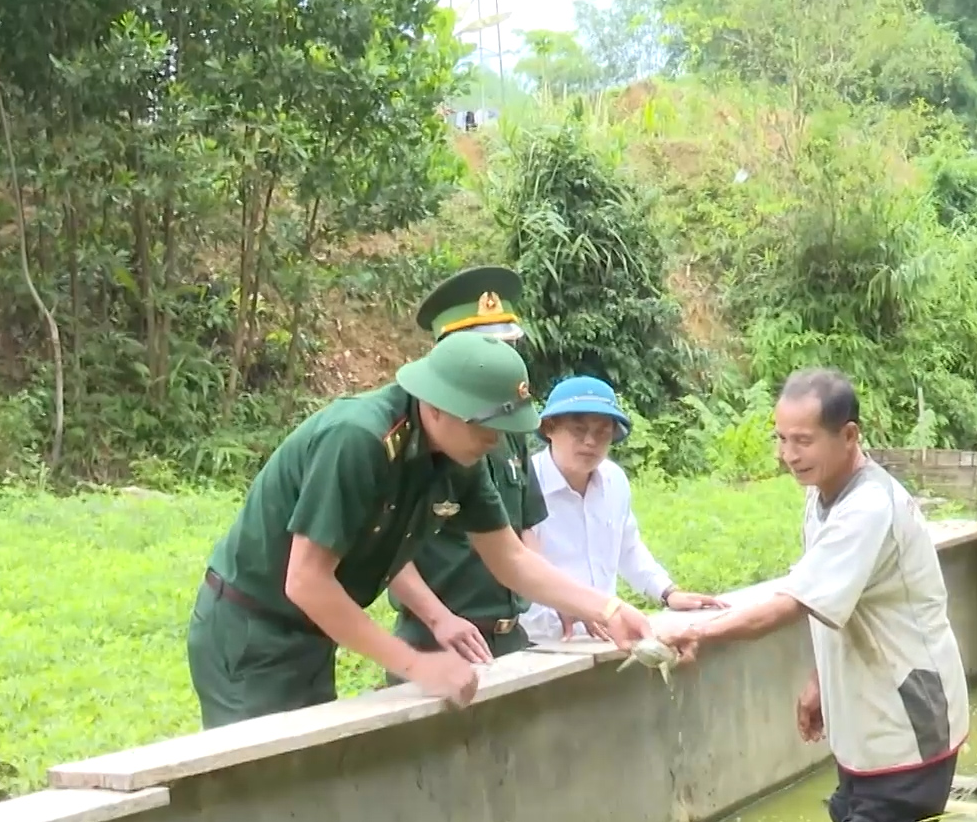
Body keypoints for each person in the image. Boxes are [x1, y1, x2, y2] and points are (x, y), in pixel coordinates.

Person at [186, 329, 656, 730]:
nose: (496, 440)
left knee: (300, 781)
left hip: (314, 633)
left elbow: (510, 559)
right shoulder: (357, 440)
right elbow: (306, 580)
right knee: (260, 783)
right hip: (251, 629)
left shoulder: (462, 455)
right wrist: (416, 665)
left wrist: (609, 608)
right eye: (487, 425)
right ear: (436, 409)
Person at [654, 368, 968, 822]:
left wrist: (696, 630)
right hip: (867, 707)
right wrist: (818, 680)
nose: (788, 454)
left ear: (848, 436)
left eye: (803, 441)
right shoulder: (823, 495)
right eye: (781, 439)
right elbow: (830, 599)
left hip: (906, 711)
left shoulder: (867, 508)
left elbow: (790, 603)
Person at [385, 266, 549, 672]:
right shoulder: (414, 437)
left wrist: (556, 601)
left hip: (509, 635)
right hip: (437, 638)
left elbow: (524, 530)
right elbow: (385, 551)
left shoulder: (511, 429)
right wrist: (438, 618)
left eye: (506, 348)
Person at [519, 375, 727, 645]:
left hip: (606, 634)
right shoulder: (525, 483)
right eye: (578, 430)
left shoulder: (613, 480)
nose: (590, 442)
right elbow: (515, 563)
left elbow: (628, 548)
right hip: (540, 640)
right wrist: (570, 604)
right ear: (549, 428)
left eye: (602, 432)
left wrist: (667, 592)